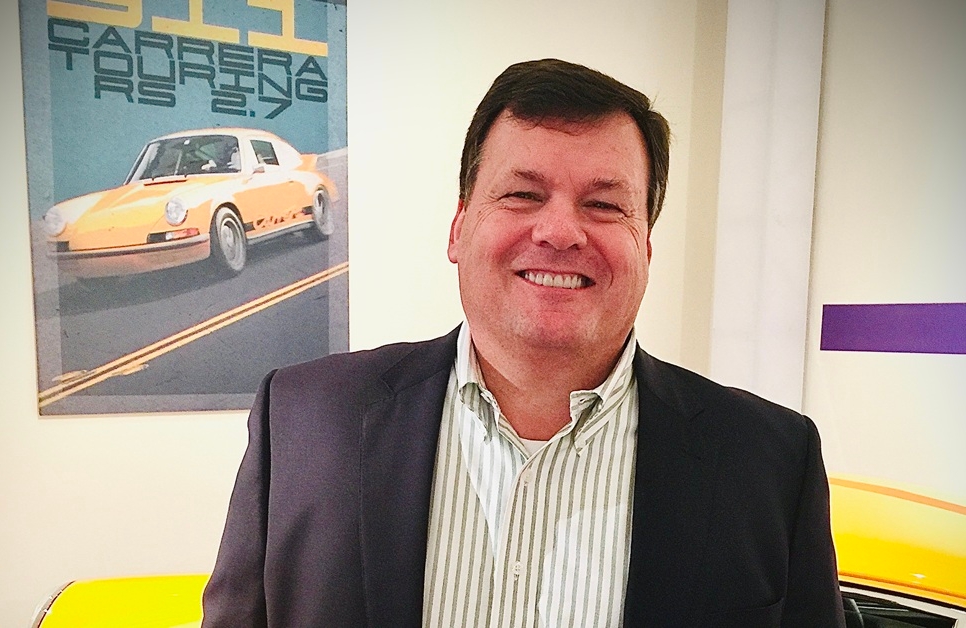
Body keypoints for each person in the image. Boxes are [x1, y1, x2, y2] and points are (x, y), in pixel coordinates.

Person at [202, 59, 844, 628]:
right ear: (459, 229)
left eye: (604, 205)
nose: (560, 231)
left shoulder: (768, 465)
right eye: (522, 195)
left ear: (646, 247)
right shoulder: (305, 421)